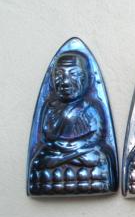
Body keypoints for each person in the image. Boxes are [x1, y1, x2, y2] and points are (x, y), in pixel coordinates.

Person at [30, 52, 112, 192]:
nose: (66, 82)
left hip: (83, 152)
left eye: (73, 74)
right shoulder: (50, 106)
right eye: (59, 75)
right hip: (56, 151)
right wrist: (62, 146)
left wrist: (78, 146)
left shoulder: (90, 107)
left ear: (87, 79)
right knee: (39, 161)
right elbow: (46, 135)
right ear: (52, 80)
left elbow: (97, 135)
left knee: (97, 158)